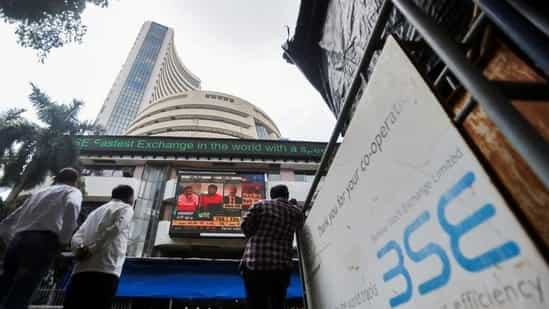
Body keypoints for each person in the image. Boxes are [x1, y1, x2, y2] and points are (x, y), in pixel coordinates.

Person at [0, 168, 82, 309]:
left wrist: (12, 242)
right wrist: (63, 241)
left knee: (4, 286)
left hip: (18, 239)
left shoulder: (37, 193)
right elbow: (72, 205)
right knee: (23, 290)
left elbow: (5, 224)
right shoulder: (72, 191)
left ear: (57, 178)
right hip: (43, 242)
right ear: (75, 181)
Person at [63, 185, 135, 309]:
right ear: (130, 198)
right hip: (106, 269)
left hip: (80, 270)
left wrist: (80, 250)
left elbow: (76, 237)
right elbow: (116, 228)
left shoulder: (95, 212)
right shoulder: (126, 208)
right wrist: (91, 249)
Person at [240, 185, 305, 309]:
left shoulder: (260, 205)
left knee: (257, 303)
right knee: (278, 303)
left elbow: (245, 228)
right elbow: (300, 226)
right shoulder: (296, 212)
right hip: (282, 267)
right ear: (287, 195)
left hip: (256, 264)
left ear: (271, 195)